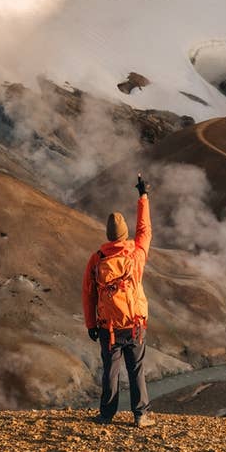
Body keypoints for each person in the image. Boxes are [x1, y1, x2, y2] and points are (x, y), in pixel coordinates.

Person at [82, 174, 155, 427]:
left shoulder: (97, 258)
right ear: (124, 235)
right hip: (134, 324)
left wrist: (91, 324)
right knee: (136, 370)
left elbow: (88, 292)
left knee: (110, 372)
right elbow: (145, 230)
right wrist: (143, 197)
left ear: (108, 234)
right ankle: (140, 415)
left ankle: (106, 414)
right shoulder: (135, 255)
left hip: (108, 328)